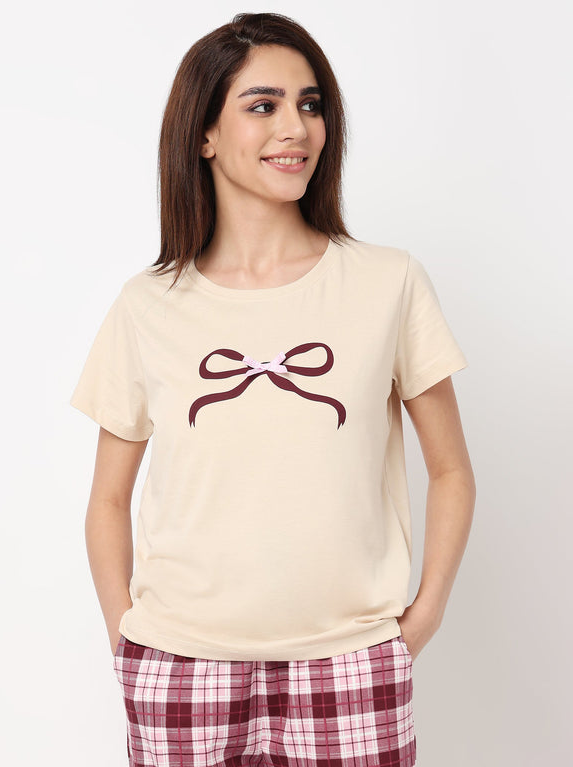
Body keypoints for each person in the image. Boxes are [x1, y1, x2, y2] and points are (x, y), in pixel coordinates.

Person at [69, 12, 475, 767]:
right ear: (204, 134)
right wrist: (126, 635)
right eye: (264, 105)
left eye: (310, 104)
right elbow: (107, 499)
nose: (296, 127)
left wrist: (421, 619)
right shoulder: (147, 304)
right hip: (180, 666)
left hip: (352, 662)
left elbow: (451, 469)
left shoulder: (387, 282)